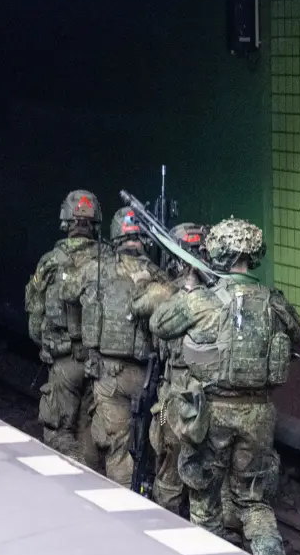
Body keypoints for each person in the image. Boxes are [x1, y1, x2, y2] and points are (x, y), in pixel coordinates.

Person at [150, 218, 300, 555]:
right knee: (254, 499)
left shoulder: (203, 301)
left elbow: (158, 324)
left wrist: (190, 287)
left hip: (211, 414)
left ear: (217, 254)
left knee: (205, 496)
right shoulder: (274, 302)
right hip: (260, 415)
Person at [61, 206, 172, 487]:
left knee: (118, 445)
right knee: (157, 436)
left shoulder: (96, 269)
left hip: (109, 376)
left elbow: (67, 292)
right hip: (150, 378)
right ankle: (159, 495)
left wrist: (78, 334)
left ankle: (125, 496)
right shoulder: (156, 275)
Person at [25, 190, 106, 468]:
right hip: (99, 364)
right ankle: (91, 482)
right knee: (88, 431)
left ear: (65, 220)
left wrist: (44, 344)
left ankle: (69, 475)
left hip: (63, 360)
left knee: (57, 431)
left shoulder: (49, 261)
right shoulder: (107, 261)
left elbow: (35, 315)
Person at [150, 222, 209, 515]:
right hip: (210, 400)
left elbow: (155, 332)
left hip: (173, 399)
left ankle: (167, 521)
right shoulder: (218, 298)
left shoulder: (168, 296)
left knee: (168, 462)